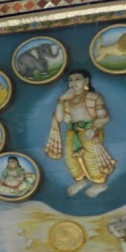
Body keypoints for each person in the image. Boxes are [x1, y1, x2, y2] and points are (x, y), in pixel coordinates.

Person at [44, 69, 115, 197]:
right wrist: (60, 100)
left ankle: (99, 183)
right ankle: (80, 180)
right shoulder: (67, 100)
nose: (73, 82)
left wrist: (93, 129)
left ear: (86, 81)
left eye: (77, 79)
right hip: (72, 130)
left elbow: (104, 117)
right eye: (70, 80)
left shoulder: (94, 97)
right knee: (69, 157)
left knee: (90, 157)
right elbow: (59, 118)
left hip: (90, 130)